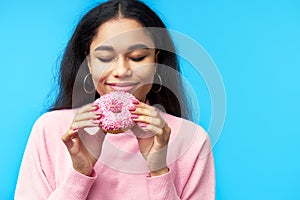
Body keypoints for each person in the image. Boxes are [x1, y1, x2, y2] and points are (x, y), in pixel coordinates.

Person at [15, 0, 215, 199]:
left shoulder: (193, 141)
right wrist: (79, 174)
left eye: (137, 57)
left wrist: (159, 171)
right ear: (89, 63)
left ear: (156, 62)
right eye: (105, 58)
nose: (121, 71)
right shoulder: (51, 130)